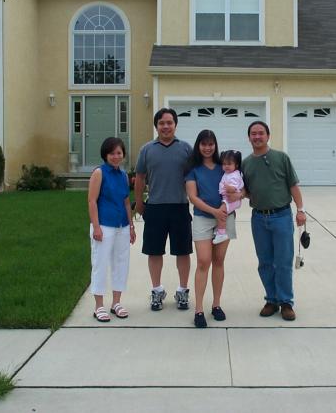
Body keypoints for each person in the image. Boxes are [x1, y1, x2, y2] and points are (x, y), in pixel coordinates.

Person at [236, 121, 306, 321]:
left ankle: (286, 302)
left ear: (268, 135)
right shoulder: (246, 164)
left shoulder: (281, 158)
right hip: (259, 218)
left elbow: (293, 186)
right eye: (253, 134)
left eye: (261, 133)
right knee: (265, 262)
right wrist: (237, 194)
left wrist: (300, 210)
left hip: (281, 216)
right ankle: (272, 300)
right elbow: (247, 190)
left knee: (283, 262)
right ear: (249, 137)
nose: (257, 137)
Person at [134, 108, 193, 311]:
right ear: (156, 126)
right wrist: (139, 203)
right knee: (154, 251)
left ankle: (183, 291)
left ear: (175, 125)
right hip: (155, 208)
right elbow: (140, 177)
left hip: (180, 207)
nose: (166, 126)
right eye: (161, 123)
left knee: (183, 252)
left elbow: (194, 177)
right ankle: (157, 291)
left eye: (169, 122)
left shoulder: (186, 149)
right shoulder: (146, 150)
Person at [185, 130, 236, 328]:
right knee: (203, 261)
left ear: (215, 145)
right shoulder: (193, 169)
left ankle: (216, 305)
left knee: (219, 261)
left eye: (211, 144)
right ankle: (199, 309)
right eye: (204, 144)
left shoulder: (224, 167)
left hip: (225, 217)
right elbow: (193, 197)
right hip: (203, 219)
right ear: (198, 146)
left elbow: (237, 187)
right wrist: (214, 211)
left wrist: (224, 207)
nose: (207, 148)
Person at [87, 137, 136, 322]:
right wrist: (96, 227)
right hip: (104, 226)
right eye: (112, 153)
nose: (116, 156)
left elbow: (126, 202)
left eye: (119, 153)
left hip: (122, 226)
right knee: (100, 264)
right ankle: (99, 306)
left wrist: (131, 226)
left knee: (121, 263)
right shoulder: (99, 173)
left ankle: (116, 302)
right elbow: (92, 201)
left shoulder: (123, 175)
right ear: (105, 155)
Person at [213, 150, 243, 245]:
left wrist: (228, 188)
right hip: (227, 199)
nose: (226, 166)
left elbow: (234, 188)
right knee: (221, 213)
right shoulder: (228, 173)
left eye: (229, 164)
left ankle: (221, 233)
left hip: (231, 200)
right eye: (224, 164)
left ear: (236, 165)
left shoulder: (234, 175)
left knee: (221, 213)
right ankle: (220, 230)